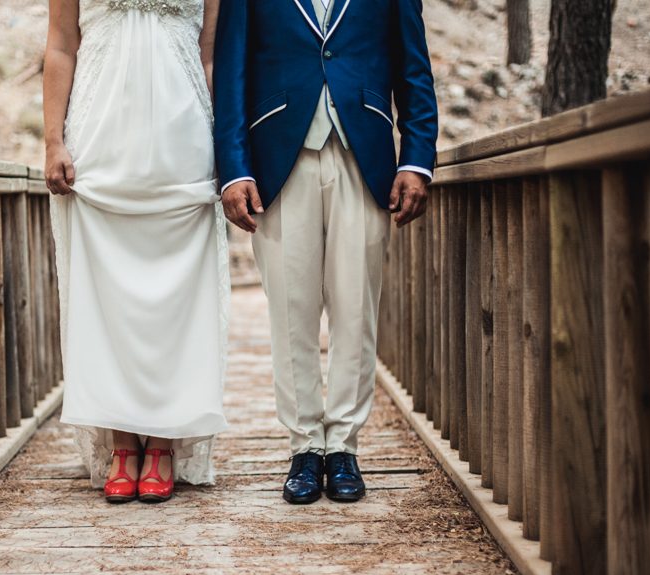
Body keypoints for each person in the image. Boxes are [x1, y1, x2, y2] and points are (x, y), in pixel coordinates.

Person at [214, 0, 437, 504]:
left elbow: (414, 69)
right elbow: (230, 75)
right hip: (277, 159)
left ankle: (343, 446)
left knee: (356, 307)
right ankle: (305, 447)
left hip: (366, 157)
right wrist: (233, 167)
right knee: (291, 310)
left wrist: (418, 159)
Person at [43, 0, 229, 503]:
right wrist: (53, 140)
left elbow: (210, 54)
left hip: (183, 144)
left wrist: (228, 151)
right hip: (100, 143)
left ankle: (165, 442)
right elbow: (61, 46)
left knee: (178, 301)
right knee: (108, 298)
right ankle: (123, 443)